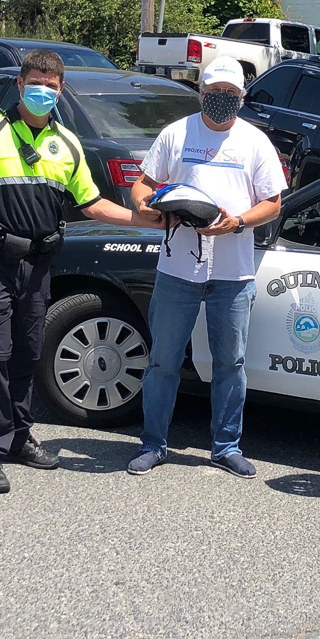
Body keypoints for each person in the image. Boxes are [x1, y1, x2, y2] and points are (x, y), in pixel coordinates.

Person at [0, 50, 159, 494]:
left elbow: (91, 203)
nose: (44, 91)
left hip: (39, 265)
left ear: (61, 92)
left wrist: (142, 219)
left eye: (52, 86)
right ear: (20, 85)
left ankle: (20, 438)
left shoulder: (67, 143)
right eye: (36, 83)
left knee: (26, 352)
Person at [126, 56, 286, 479]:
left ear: (242, 97)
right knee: (163, 359)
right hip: (177, 268)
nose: (222, 101)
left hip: (233, 273)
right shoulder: (176, 134)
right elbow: (142, 183)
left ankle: (226, 446)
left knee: (230, 364)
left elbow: (273, 203)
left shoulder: (255, 142)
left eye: (231, 95)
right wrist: (144, 205)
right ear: (201, 93)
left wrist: (237, 222)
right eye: (214, 94)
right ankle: (153, 444)